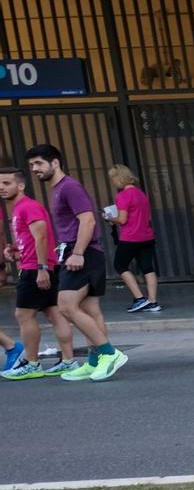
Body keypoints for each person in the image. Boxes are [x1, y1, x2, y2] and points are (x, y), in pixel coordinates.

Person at [25, 145, 126, 382]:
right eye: (31, 166)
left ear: (55, 162)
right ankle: (93, 362)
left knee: (66, 306)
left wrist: (78, 252)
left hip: (82, 253)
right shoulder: (58, 188)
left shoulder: (70, 186)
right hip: (78, 252)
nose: (34, 169)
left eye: (39, 163)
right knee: (90, 310)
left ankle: (109, 354)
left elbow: (88, 220)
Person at [1, 166, 75, 380]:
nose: (1, 188)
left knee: (23, 315)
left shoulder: (27, 206)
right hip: (38, 265)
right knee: (53, 313)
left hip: (36, 269)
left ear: (21, 185)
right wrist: (15, 249)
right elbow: (31, 238)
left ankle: (32, 364)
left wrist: (42, 268)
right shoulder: (19, 208)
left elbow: (41, 237)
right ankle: (68, 361)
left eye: (7, 183)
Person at [105, 165, 163, 314]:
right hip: (147, 236)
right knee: (147, 268)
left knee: (120, 265)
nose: (113, 182)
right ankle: (153, 302)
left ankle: (139, 299)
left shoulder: (123, 196)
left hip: (130, 237)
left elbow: (122, 220)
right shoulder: (141, 194)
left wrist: (109, 218)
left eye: (113, 179)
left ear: (118, 178)